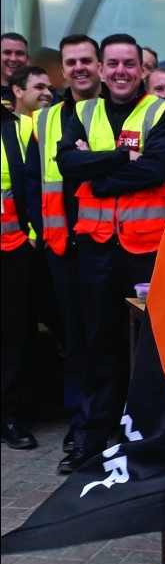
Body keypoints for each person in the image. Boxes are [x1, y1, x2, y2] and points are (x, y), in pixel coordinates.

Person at [55, 33, 165, 473]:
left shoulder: (164, 112)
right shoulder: (81, 111)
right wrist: (123, 159)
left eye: (130, 63)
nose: (122, 71)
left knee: (150, 348)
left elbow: (158, 166)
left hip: (147, 250)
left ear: (143, 69)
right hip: (96, 249)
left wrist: (100, 173)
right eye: (114, 64)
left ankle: (147, 438)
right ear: (103, 70)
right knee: (98, 344)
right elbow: (67, 164)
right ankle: (89, 440)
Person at [25, 34, 104, 455]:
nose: (79, 68)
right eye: (71, 62)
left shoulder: (117, 112)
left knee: (108, 335)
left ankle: (111, 415)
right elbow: (31, 180)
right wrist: (40, 231)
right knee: (75, 337)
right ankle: (83, 417)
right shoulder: (45, 119)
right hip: (62, 244)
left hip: (109, 244)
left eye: (86, 60)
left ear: (101, 65)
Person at [1, 102, 38, 449]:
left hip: (11, 248)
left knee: (13, 335)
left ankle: (9, 415)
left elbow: (34, 187)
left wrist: (31, 239)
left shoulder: (20, 127)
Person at [1, 33, 31, 109]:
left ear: (28, 60)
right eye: (7, 52)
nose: (13, 59)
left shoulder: (42, 90)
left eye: (19, 53)